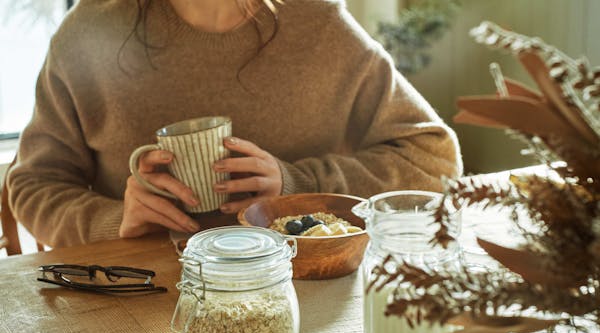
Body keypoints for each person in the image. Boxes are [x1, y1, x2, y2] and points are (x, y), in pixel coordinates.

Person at [8, 0, 462, 248]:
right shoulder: (86, 31)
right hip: (136, 298)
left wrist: (296, 185)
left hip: (298, 294)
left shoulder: (321, 25)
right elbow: (33, 184)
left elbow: (434, 159)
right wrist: (113, 220)